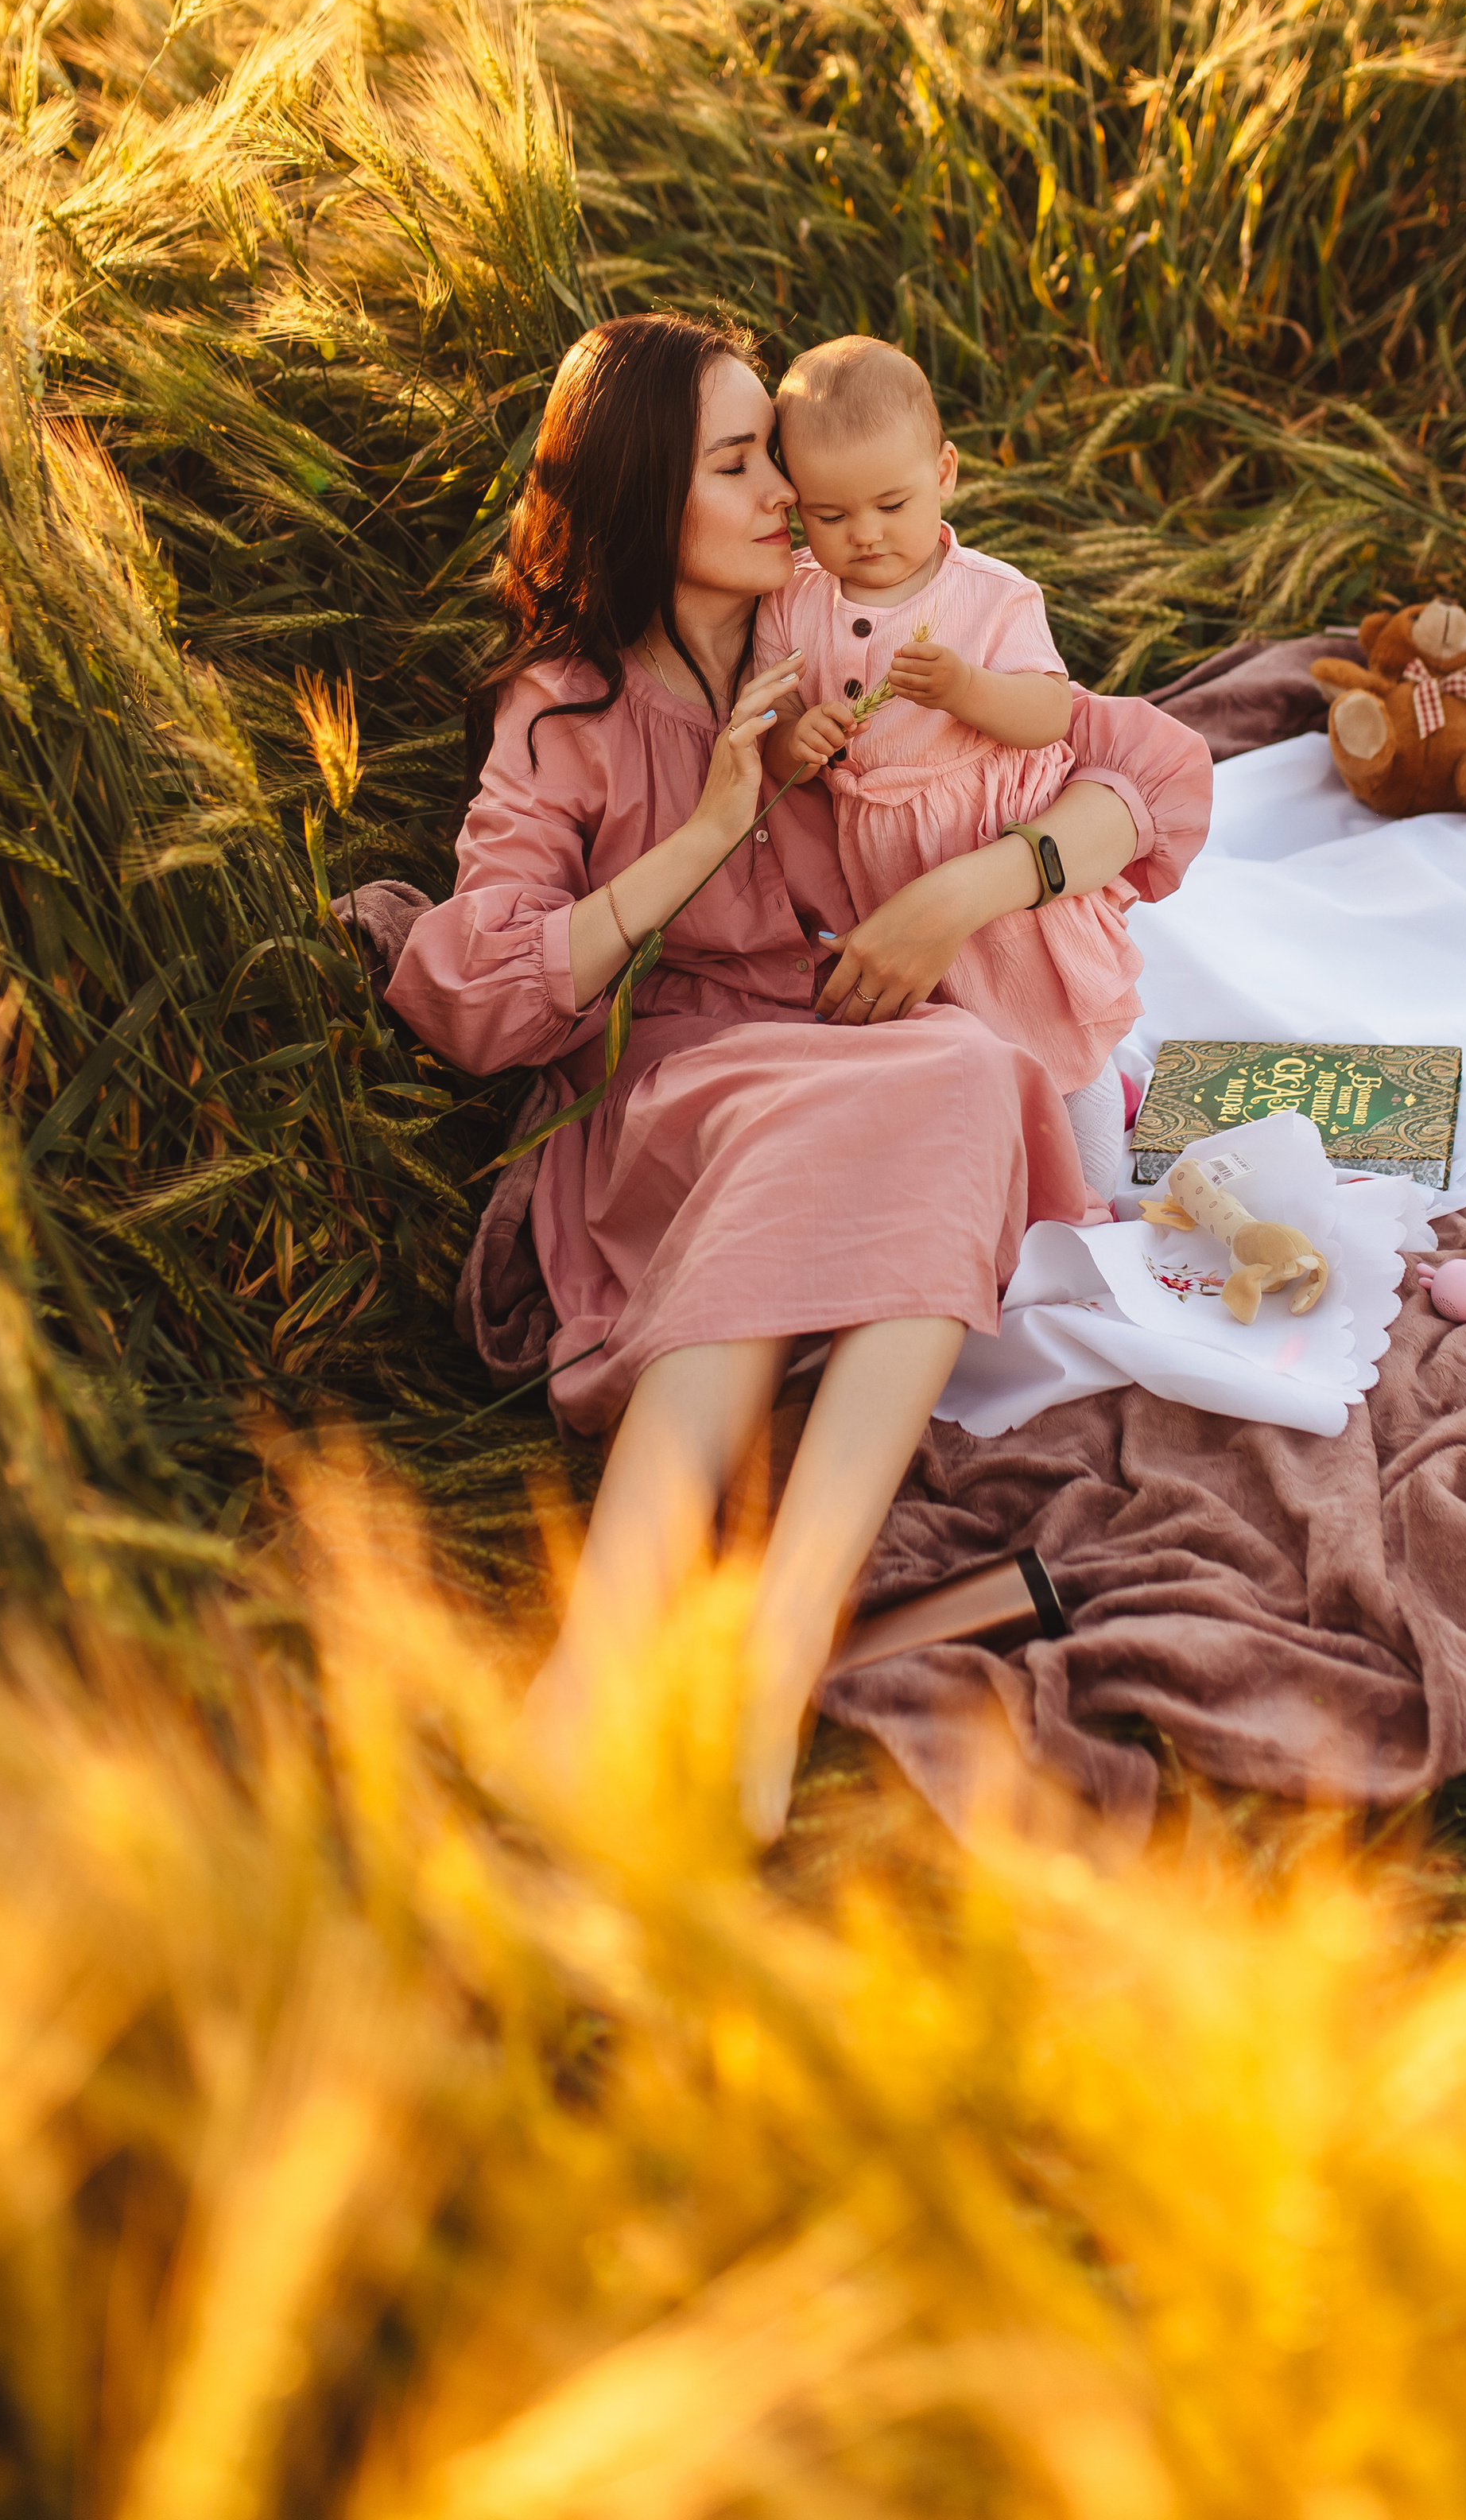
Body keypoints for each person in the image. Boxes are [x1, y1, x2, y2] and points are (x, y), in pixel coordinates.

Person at [384, 311, 1212, 1839]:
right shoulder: (566, 707)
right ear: (648, 498)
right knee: (913, 1089)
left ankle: (765, 1675)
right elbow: (480, 998)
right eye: (739, 463)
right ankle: (593, 1678)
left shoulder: (843, 617)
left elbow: (1148, 768)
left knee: (959, 1068)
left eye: (776, 453)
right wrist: (708, 828)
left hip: (861, 1053)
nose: (787, 492)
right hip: (680, 1080)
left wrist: (965, 892)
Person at [759, 334, 1137, 1209]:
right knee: (957, 1050)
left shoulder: (991, 594)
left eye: (892, 504)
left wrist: (969, 689)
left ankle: (1097, 1149)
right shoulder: (794, 601)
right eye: (828, 515)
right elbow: (771, 730)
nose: (865, 534)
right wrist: (795, 741)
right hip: (884, 869)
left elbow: (1050, 713)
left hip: (993, 856)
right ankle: (1006, 1173)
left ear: (945, 473)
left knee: (1051, 1043)